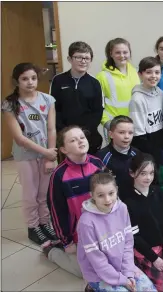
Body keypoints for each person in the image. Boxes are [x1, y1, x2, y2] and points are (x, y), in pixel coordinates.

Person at [2, 63, 58, 246]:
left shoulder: (48, 100)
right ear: (16, 81)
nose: (30, 82)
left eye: (33, 78)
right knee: (30, 193)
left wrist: (50, 156)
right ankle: (33, 227)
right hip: (26, 156)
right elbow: (19, 138)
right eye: (24, 79)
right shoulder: (10, 104)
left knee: (44, 193)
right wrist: (48, 153)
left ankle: (44, 223)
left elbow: (51, 129)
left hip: (46, 154)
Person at [77, 173, 157, 292]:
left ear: (116, 190)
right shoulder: (86, 223)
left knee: (149, 289)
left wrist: (128, 273)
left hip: (121, 266)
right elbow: (98, 262)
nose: (107, 199)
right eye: (100, 195)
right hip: (98, 274)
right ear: (92, 195)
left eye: (111, 193)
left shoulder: (122, 208)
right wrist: (123, 281)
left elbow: (128, 244)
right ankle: (91, 287)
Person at [46, 125, 104, 278]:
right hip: (78, 235)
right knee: (86, 273)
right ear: (64, 150)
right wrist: (67, 242)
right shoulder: (59, 175)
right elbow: (57, 211)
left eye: (82, 137)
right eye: (73, 140)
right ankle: (52, 251)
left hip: (103, 230)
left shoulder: (98, 164)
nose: (80, 141)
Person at [125, 153, 163, 291]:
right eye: (143, 173)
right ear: (132, 173)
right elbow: (134, 236)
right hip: (143, 250)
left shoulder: (158, 192)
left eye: (151, 173)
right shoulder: (127, 202)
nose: (148, 177)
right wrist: (154, 259)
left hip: (160, 246)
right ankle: (139, 267)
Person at [50, 42, 103, 155]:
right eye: (78, 57)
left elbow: (97, 111)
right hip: (64, 136)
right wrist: (65, 132)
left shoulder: (94, 83)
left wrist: (83, 133)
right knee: (68, 171)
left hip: (88, 136)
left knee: (90, 170)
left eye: (87, 58)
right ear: (69, 59)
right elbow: (54, 109)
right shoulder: (58, 80)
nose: (83, 61)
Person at [129, 57, 163, 163]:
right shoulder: (137, 99)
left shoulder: (160, 92)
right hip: (148, 147)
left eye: (157, 72)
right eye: (148, 72)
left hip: (162, 142)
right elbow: (138, 134)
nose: (153, 76)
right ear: (140, 74)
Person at [97, 38, 140, 132]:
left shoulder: (137, 73)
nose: (122, 56)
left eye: (125, 52)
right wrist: (107, 123)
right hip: (115, 127)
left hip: (136, 125)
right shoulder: (102, 76)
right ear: (111, 54)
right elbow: (97, 105)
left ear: (130, 53)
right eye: (118, 52)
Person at [96, 115, 141, 201]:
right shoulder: (101, 157)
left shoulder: (137, 154)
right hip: (113, 204)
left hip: (135, 202)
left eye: (130, 133)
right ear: (111, 134)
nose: (126, 136)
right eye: (121, 132)